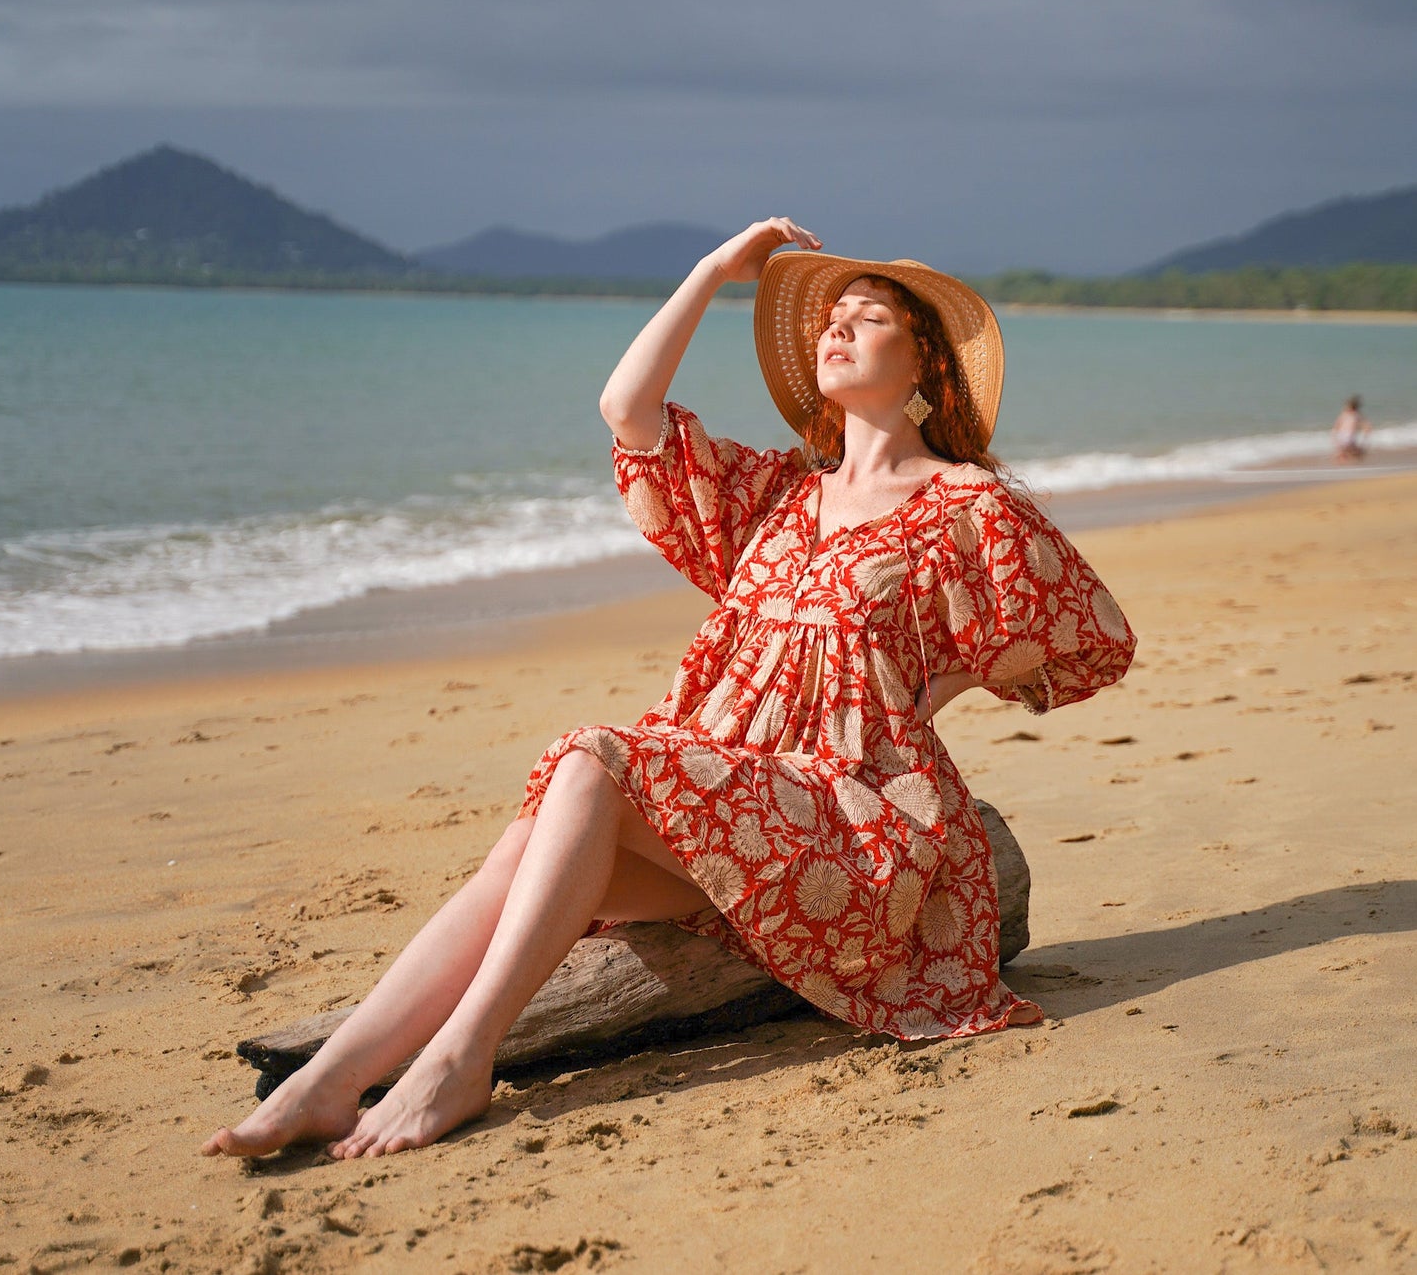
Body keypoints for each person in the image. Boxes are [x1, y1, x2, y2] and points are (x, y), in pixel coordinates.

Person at [203, 217, 1136, 1162]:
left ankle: (459, 1060)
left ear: (926, 364)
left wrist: (940, 684)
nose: (835, 331)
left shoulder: (965, 506)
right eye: (828, 321)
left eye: (867, 317)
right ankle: (327, 1082)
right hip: (728, 810)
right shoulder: (776, 495)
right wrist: (710, 272)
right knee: (529, 844)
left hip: (853, 827)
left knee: (591, 759)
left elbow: (1090, 637)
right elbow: (626, 407)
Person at [1332, 396, 1371, 462]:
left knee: (1344, 451)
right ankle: (1349, 456)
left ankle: (1342, 457)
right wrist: (1366, 433)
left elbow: (1336, 425)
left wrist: (1334, 436)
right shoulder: (1357, 415)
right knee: (1355, 451)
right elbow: (1366, 425)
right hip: (1350, 436)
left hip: (1341, 435)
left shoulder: (1344, 414)